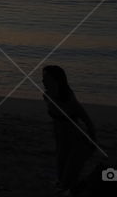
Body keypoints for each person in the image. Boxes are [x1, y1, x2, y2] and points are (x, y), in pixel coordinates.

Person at [42, 65, 97, 196]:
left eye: (46, 78)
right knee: (62, 178)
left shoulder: (68, 98)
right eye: (43, 78)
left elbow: (86, 118)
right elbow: (57, 124)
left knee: (68, 179)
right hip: (62, 141)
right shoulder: (47, 96)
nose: (43, 81)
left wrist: (93, 138)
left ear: (56, 80)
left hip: (78, 141)